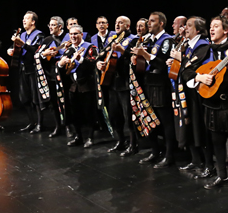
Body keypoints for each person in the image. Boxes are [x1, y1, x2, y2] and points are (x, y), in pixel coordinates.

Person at [192, 16, 228, 197]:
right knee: (217, 143)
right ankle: (221, 175)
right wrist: (199, 78)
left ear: (226, 30)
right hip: (212, 103)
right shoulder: (205, 49)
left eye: (216, 26)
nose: (211, 29)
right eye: (210, 26)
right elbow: (187, 70)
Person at [131, 12, 176, 167]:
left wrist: (145, 55)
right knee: (149, 119)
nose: (148, 24)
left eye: (152, 21)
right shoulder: (149, 39)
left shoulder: (168, 40)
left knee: (165, 122)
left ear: (161, 23)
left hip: (161, 86)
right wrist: (136, 58)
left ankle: (169, 155)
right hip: (147, 83)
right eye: (148, 21)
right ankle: (155, 151)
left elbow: (163, 64)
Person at [173, 17, 212, 177]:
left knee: (200, 129)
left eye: (189, 26)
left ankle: (208, 164)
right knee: (188, 126)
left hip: (198, 95)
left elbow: (191, 68)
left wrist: (181, 61)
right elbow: (185, 69)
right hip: (185, 92)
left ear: (198, 30)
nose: (185, 28)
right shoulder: (187, 46)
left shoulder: (203, 46)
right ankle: (195, 160)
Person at [98, 16, 136, 154]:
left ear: (128, 25)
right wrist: (98, 62)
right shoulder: (113, 39)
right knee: (114, 115)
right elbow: (101, 54)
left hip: (125, 82)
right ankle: (120, 141)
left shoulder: (133, 39)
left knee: (128, 116)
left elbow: (133, 59)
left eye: (121, 23)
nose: (117, 25)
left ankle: (133, 144)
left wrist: (122, 51)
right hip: (112, 82)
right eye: (116, 22)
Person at [58, 25, 99, 147]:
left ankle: (90, 138)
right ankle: (78, 137)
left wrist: (81, 59)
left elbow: (93, 64)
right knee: (75, 113)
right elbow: (63, 70)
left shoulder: (90, 47)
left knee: (89, 112)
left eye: (76, 34)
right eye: (71, 34)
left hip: (87, 85)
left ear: (81, 34)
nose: (73, 36)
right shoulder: (69, 50)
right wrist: (60, 64)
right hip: (73, 86)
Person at [7, 11, 44, 132]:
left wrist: (23, 45)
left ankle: (40, 124)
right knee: (24, 98)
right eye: (23, 18)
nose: (24, 20)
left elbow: (37, 51)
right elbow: (16, 49)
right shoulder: (22, 35)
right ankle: (32, 122)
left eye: (27, 19)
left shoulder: (39, 35)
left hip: (33, 69)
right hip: (22, 69)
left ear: (33, 22)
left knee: (36, 99)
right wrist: (11, 50)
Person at [36, 16, 71, 138]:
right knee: (53, 102)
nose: (50, 27)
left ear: (60, 27)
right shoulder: (47, 39)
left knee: (66, 101)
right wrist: (44, 54)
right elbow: (38, 55)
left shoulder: (68, 38)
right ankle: (58, 126)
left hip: (65, 75)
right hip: (51, 75)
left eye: (53, 25)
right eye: (49, 25)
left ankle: (68, 126)